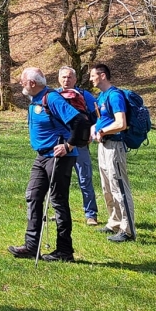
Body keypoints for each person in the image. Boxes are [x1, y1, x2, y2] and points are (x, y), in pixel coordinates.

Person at [8, 67, 82, 262]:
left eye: (22, 80)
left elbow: (80, 122)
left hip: (59, 157)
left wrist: (68, 146)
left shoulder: (52, 99)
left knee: (58, 201)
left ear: (32, 83)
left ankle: (64, 251)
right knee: (33, 196)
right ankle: (32, 246)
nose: (20, 84)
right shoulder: (35, 100)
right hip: (42, 157)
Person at [91, 62, 135, 243]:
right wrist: (95, 128)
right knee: (107, 186)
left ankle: (128, 230)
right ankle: (114, 222)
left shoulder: (115, 95)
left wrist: (102, 131)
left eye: (93, 75)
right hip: (104, 146)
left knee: (119, 187)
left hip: (114, 146)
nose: (91, 79)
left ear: (102, 76)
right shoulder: (102, 96)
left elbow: (121, 123)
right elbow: (102, 119)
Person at [58, 65, 100, 227]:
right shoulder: (54, 95)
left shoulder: (84, 95)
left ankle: (91, 214)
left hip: (80, 144)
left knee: (85, 179)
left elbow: (98, 115)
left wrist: (91, 131)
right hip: (61, 143)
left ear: (75, 79)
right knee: (60, 180)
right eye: (63, 77)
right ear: (59, 79)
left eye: (69, 77)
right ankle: (60, 212)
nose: (66, 80)